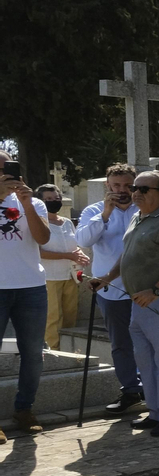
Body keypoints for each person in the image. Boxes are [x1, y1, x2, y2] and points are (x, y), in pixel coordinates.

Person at [92, 172, 159, 435]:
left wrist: (157, 289)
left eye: (144, 189)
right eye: (135, 188)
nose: (136, 193)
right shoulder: (138, 216)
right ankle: (155, 412)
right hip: (138, 303)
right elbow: (128, 253)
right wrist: (107, 277)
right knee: (145, 361)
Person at [78, 163, 142, 413]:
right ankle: (130, 389)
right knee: (120, 343)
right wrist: (105, 213)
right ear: (108, 186)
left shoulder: (145, 208)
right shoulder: (94, 211)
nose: (122, 190)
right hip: (111, 289)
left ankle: (154, 389)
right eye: (116, 185)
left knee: (151, 341)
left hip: (145, 287)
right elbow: (83, 240)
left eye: (127, 185)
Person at [0, 152, 50, 439]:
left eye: (9, 167)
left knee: (33, 353)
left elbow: (43, 239)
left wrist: (28, 203)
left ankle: (24, 408)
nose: (6, 172)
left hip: (30, 286)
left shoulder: (34, 202)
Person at [35, 184, 88, 349]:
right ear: (40, 201)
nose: (53, 201)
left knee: (70, 316)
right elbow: (38, 252)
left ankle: (70, 351)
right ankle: (53, 352)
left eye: (56, 198)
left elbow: (73, 245)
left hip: (70, 276)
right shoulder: (38, 224)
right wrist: (68, 255)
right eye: (49, 199)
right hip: (49, 277)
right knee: (53, 318)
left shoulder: (66, 223)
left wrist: (79, 254)